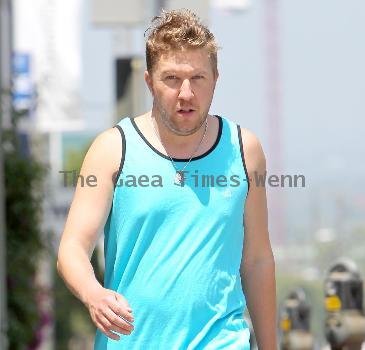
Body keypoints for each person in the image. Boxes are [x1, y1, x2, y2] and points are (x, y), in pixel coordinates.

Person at [57, 9, 277, 350]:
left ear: (216, 78)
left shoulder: (245, 150)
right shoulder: (113, 148)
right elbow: (72, 247)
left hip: (222, 342)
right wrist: (93, 294)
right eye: (172, 79)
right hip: (130, 342)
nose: (186, 93)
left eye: (198, 78)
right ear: (150, 82)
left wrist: (270, 346)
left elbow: (257, 259)